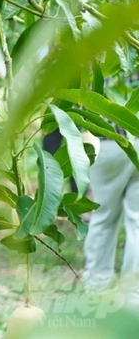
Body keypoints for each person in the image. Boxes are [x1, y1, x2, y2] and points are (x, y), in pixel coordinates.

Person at [81, 131, 139, 311]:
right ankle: (134, 295)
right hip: (136, 140)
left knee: (103, 217)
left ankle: (96, 287)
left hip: (105, 143)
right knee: (137, 221)